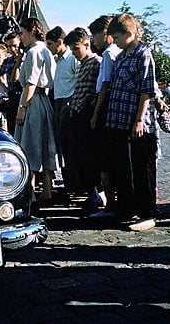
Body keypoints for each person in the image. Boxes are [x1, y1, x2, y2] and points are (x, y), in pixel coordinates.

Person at [104, 13, 158, 231]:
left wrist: (139, 120)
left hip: (137, 123)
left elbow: (147, 91)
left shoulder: (143, 55)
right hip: (118, 121)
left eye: (116, 37)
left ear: (128, 33)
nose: (114, 42)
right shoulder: (123, 56)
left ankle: (148, 213)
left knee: (142, 170)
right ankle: (128, 210)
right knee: (124, 170)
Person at [14, 18, 57, 205]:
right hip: (43, 101)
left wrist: (23, 108)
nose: (21, 37)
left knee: (29, 144)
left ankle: (30, 193)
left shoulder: (34, 52)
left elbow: (31, 82)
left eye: (22, 32)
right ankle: (47, 189)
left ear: (32, 32)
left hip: (32, 102)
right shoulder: (45, 50)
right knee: (44, 143)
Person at [63, 28, 102, 214]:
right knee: (80, 157)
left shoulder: (97, 62)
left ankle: (97, 194)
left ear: (87, 44)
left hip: (88, 114)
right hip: (77, 114)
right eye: (71, 49)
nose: (74, 53)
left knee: (90, 157)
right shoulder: (80, 65)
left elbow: (99, 89)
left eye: (76, 49)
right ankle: (90, 193)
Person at [88, 15, 122, 218]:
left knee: (104, 162)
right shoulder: (117, 51)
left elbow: (105, 84)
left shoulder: (109, 53)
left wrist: (95, 112)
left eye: (95, 35)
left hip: (105, 109)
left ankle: (110, 204)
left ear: (105, 34)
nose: (94, 40)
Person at [45, 26, 80, 196]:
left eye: (50, 44)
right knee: (62, 147)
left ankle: (76, 184)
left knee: (71, 146)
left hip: (68, 102)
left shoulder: (72, 59)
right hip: (58, 102)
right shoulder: (57, 61)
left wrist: (71, 104)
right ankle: (69, 183)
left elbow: (78, 81)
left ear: (60, 42)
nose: (49, 47)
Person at [0, 32, 24, 134]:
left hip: (25, 94)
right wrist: (6, 89)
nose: (13, 49)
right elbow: (0, 76)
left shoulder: (27, 58)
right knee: (12, 128)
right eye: (9, 46)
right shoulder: (7, 61)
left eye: (15, 46)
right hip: (13, 95)